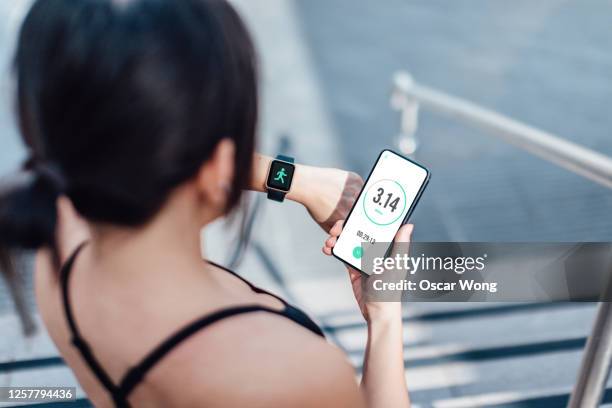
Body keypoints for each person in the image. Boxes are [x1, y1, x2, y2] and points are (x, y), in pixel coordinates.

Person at [0, 0, 412, 406]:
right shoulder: (289, 372)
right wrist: (385, 319)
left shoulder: (56, 239)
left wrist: (299, 182)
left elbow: (133, 142)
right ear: (218, 166)